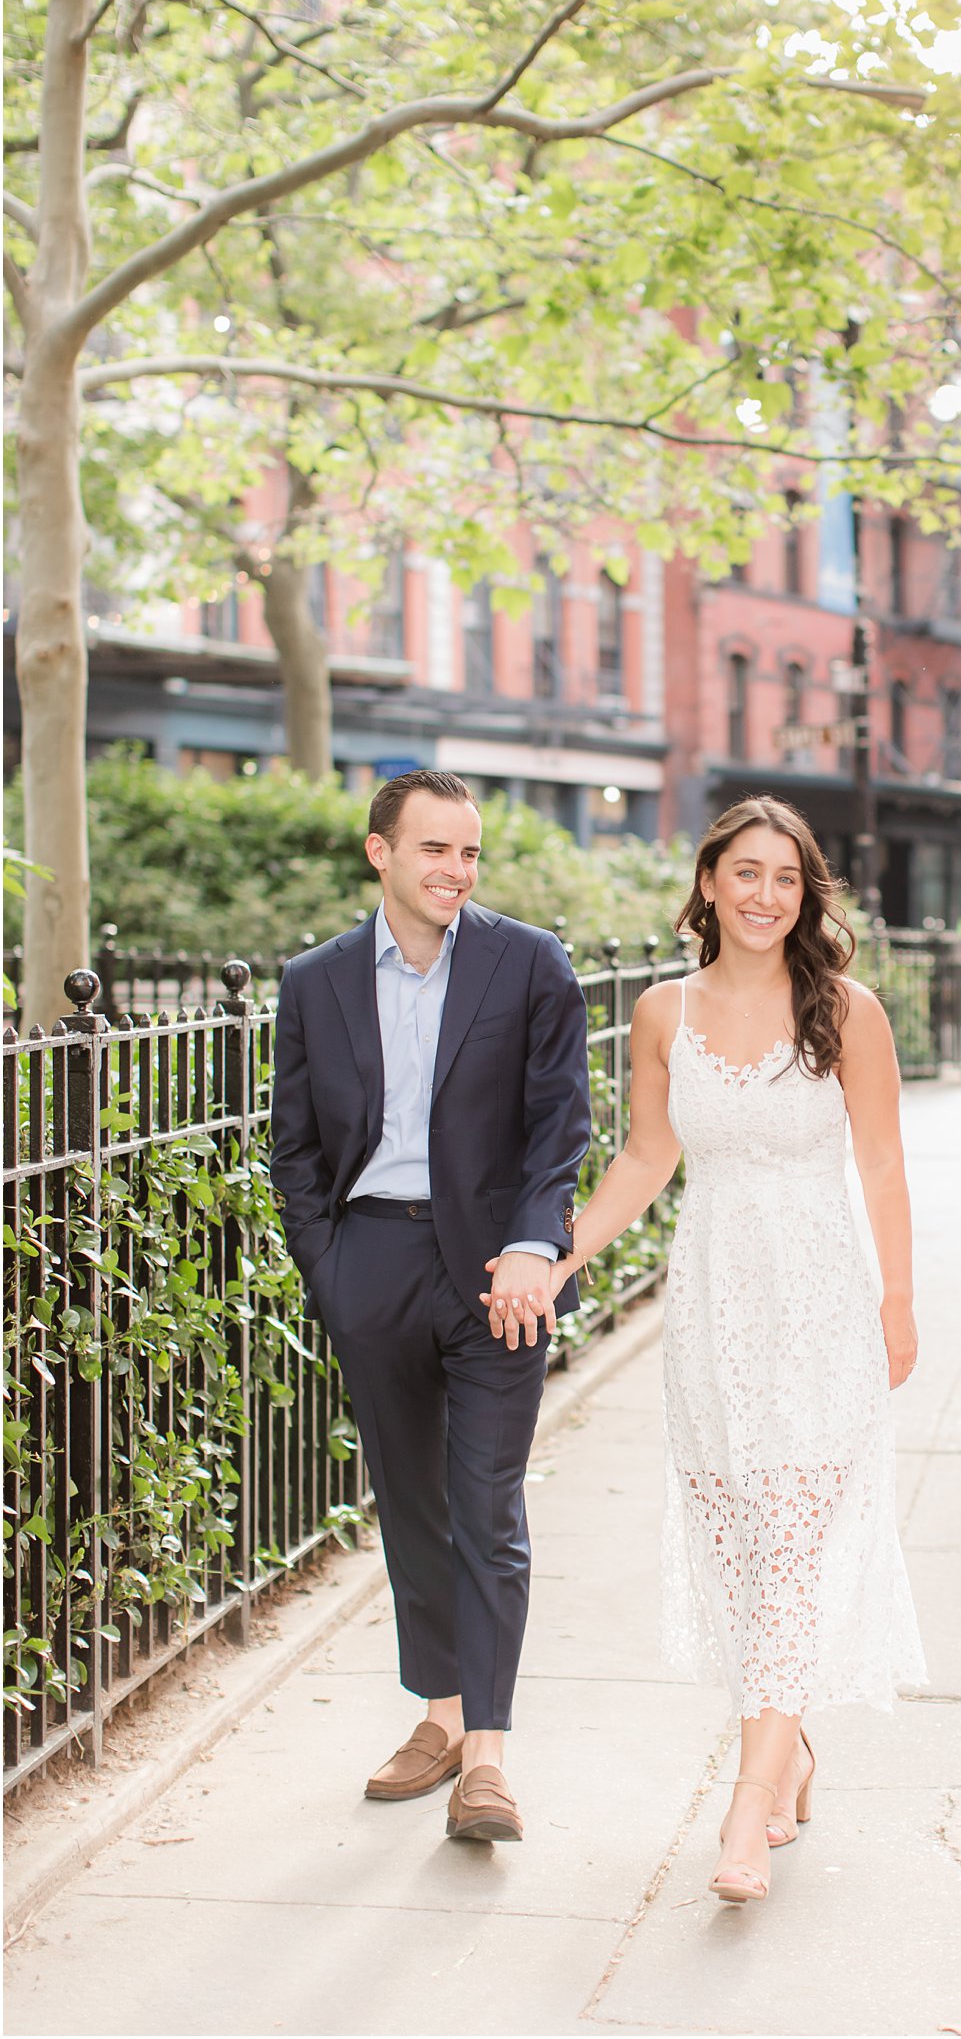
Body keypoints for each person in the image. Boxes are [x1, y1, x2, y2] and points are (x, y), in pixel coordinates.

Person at [542, 795, 925, 1906]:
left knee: (795, 1554)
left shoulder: (847, 1012)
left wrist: (897, 1303)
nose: (764, 895)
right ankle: (789, 1751)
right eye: (744, 873)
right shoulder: (663, 1013)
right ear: (708, 883)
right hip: (709, 1311)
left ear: (807, 897)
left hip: (818, 1307)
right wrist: (555, 1259)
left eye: (786, 879)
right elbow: (645, 1158)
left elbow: (884, 1168)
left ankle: (745, 1811)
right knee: (741, 1557)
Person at [271, 769, 589, 1844]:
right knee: (409, 1503)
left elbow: (559, 1127)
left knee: (485, 1506)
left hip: (498, 1275)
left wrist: (533, 1245)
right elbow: (297, 1152)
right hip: (373, 1263)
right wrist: (333, 1274)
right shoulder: (314, 982)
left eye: (470, 853)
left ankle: (488, 1758)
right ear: (381, 854)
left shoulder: (528, 963)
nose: (455, 871)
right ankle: (439, 1717)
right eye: (434, 850)